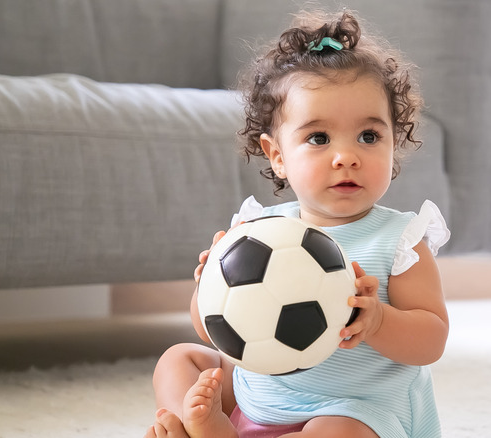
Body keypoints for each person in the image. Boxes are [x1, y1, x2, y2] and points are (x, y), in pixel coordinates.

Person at [145, 9, 450, 438]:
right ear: (277, 156)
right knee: (178, 360)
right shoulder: (258, 231)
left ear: (393, 144)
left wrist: (379, 320)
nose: (346, 156)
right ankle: (197, 423)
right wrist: (211, 286)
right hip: (257, 396)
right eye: (319, 138)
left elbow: (431, 341)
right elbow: (215, 330)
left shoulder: (398, 241)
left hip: (352, 409)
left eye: (369, 135)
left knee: (341, 433)